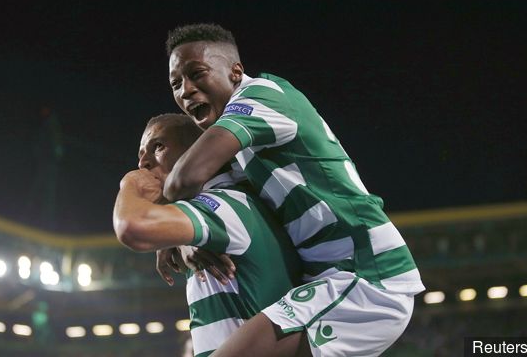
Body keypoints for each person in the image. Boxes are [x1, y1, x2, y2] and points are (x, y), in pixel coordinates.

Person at [160, 23, 426, 356]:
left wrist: (161, 215)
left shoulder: (260, 98)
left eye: (196, 74)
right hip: (322, 281)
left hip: (365, 279)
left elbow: (184, 179)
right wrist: (184, 237)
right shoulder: (239, 145)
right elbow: (207, 203)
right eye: (175, 83)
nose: (185, 90)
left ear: (235, 72)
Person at [113, 113, 301, 357]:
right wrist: (181, 240)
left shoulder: (223, 204)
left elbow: (132, 227)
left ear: (196, 151)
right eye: (140, 155)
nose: (143, 164)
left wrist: (130, 184)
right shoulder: (233, 206)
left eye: (158, 146)